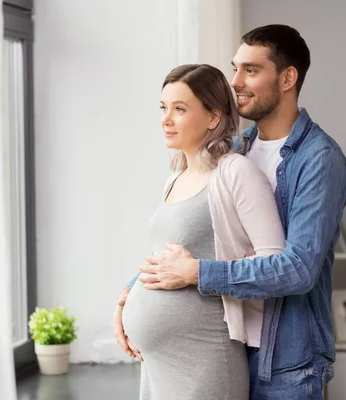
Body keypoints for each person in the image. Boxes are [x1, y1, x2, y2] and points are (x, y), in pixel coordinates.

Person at [126, 24, 346, 399]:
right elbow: (191, 241)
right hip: (229, 342)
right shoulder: (237, 149)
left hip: (284, 361)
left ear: (287, 78)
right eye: (235, 68)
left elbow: (297, 268)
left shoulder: (319, 160)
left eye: (251, 70)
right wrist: (131, 292)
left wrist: (197, 273)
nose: (235, 82)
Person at [115, 63, 286, 400]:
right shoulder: (175, 178)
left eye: (180, 109)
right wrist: (124, 301)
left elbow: (275, 262)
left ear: (212, 117)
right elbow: (163, 261)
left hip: (205, 360)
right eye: (164, 108)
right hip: (157, 366)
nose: (166, 119)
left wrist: (196, 273)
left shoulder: (235, 172)